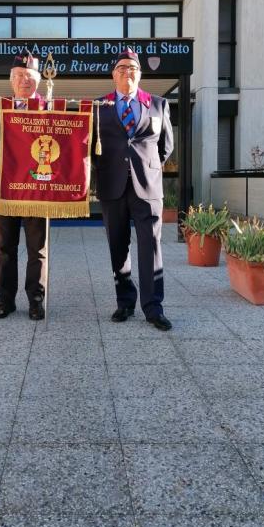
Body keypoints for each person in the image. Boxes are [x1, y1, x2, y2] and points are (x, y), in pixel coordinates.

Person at [93, 47, 174, 331]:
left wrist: (147, 168)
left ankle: (154, 308)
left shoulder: (158, 104)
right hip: (112, 186)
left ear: (140, 74)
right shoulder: (98, 107)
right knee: (118, 246)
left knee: (150, 246)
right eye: (122, 68)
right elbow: (90, 148)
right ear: (113, 75)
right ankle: (125, 302)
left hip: (147, 188)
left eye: (133, 68)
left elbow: (165, 147)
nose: (128, 72)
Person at [0, 49, 46, 321]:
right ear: (11, 80)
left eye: (29, 76)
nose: (24, 81)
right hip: (5, 189)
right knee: (5, 248)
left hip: (36, 190)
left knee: (36, 249)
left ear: (38, 80)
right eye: (19, 75)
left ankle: (35, 300)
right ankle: (6, 301)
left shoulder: (50, 109)